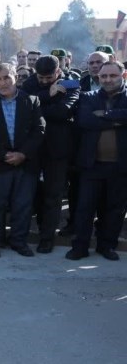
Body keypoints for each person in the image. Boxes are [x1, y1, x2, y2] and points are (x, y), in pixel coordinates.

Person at [0, 64, 45, 257]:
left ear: (16, 77)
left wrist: (23, 154)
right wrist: (2, 155)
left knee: (22, 205)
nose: (3, 83)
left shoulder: (32, 101)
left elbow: (39, 130)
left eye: (7, 77)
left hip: (25, 162)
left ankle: (19, 241)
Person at [66, 61, 127, 261]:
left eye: (113, 76)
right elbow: (85, 121)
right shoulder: (88, 97)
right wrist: (118, 121)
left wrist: (106, 115)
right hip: (92, 165)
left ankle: (106, 246)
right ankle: (80, 247)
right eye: (104, 76)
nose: (108, 80)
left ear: (123, 76)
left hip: (120, 166)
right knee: (85, 209)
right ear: (98, 78)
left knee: (114, 209)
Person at [20, 55, 80, 253]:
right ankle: (24, 233)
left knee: (52, 196)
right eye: (41, 78)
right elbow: (25, 108)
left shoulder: (71, 83)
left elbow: (64, 111)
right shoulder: (30, 82)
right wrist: (49, 95)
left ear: (58, 71)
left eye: (49, 78)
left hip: (57, 150)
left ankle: (47, 238)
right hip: (33, 149)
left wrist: (40, 104)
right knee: (30, 194)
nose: (45, 82)